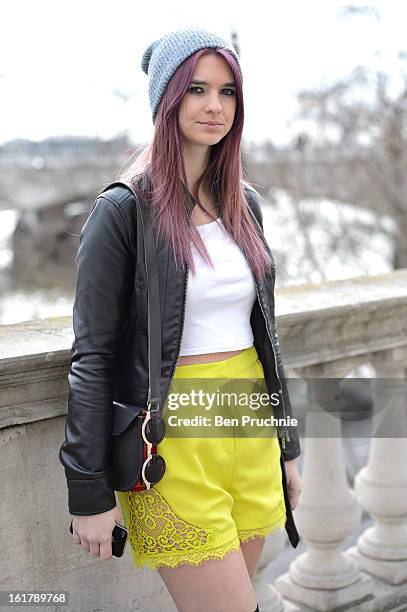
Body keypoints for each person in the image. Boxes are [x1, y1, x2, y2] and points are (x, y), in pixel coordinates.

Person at [59, 26, 303, 612]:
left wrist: (287, 445)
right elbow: (92, 355)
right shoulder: (122, 211)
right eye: (196, 89)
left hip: (247, 427)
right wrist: (87, 488)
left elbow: (265, 337)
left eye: (227, 91)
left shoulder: (246, 207)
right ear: (166, 100)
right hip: (170, 441)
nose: (214, 106)